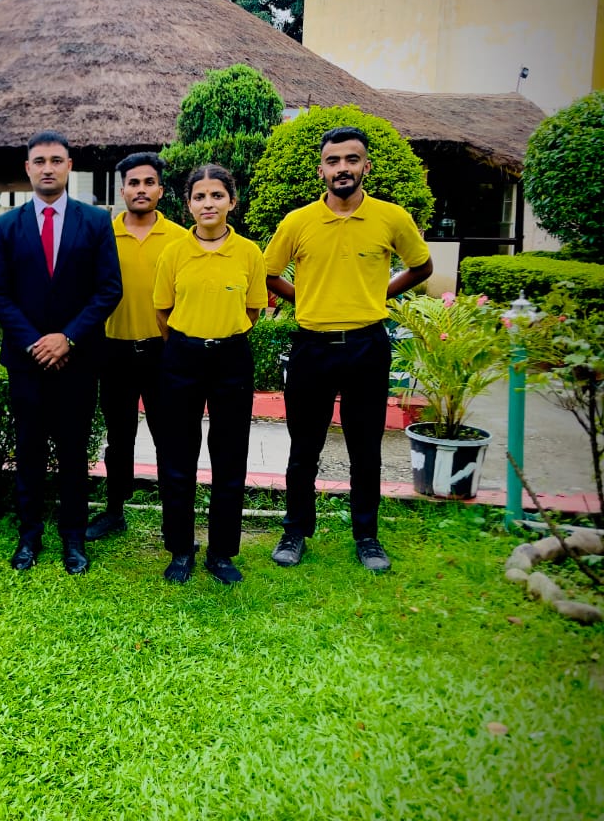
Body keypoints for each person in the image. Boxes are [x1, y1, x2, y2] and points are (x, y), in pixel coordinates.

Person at [264, 126, 433, 573]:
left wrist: (378, 296)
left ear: (366, 167)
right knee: (304, 448)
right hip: (312, 348)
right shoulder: (297, 222)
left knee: (365, 447)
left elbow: (421, 266)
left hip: (366, 346)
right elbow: (268, 273)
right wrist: (306, 299)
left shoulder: (391, 217)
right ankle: (295, 531)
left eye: (351, 159)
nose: (343, 168)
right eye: (333, 161)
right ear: (321, 170)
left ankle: (367, 537)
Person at [0, 130, 122, 574]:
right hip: (25, 362)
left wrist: (68, 337)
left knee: (73, 453)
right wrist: (35, 341)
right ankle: (28, 536)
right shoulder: (6, 225)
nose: (48, 168)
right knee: (28, 452)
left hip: (77, 361)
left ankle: (73, 537)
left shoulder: (95, 221)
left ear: (69, 166)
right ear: (27, 168)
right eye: (40, 161)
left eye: (56, 160)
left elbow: (108, 289)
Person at [153, 165, 267, 584]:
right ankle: (181, 548)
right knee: (177, 457)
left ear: (232, 201)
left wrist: (221, 337)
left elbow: (253, 310)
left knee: (230, 456)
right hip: (182, 357)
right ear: (188, 204)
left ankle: (221, 552)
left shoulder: (249, 253)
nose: (208, 204)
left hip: (231, 359)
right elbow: (163, 310)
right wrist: (190, 342)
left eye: (217, 195)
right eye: (199, 196)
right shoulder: (174, 253)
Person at [87, 152, 182, 541]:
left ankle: (174, 520)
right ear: (122, 189)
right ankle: (114, 511)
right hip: (114, 351)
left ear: (161, 189)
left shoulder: (181, 238)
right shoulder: (102, 236)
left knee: (169, 439)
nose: (141, 189)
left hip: (164, 352)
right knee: (119, 438)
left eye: (148, 182)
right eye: (133, 183)